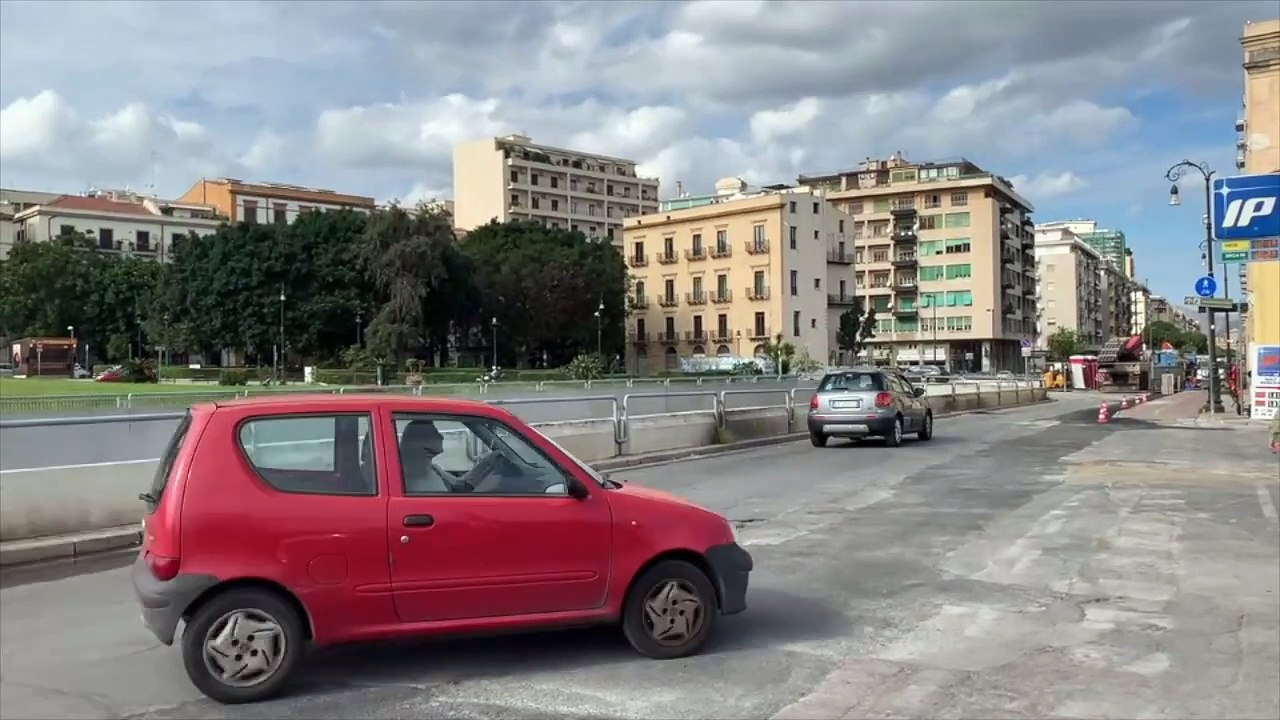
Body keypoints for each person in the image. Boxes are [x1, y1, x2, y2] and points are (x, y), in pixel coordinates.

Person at [399, 420, 453, 493]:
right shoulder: (408, 479)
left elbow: (462, 486)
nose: (441, 437)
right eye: (435, 433)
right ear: (421, 441)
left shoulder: (434, 468)